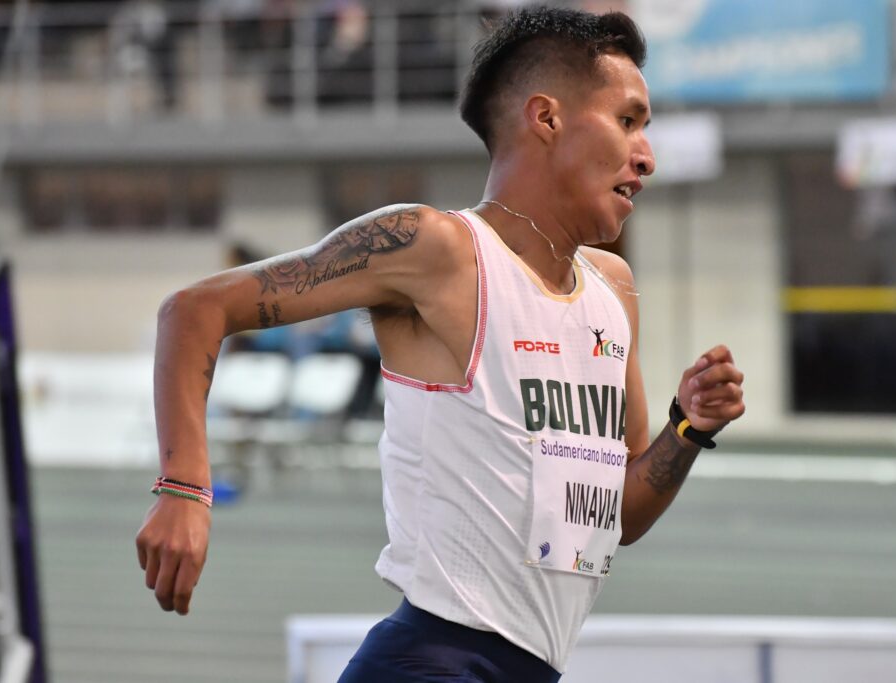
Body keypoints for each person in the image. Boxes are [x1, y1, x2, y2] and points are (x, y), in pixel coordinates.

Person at [136, 8, 746, 682]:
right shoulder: (438, 248)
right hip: (432, 660)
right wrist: (183, 488)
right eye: (628, 121)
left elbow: (620, 515)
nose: (647, 156)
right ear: (547, 118)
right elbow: (194, 309)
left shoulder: (614, 289)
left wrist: (688, 427)